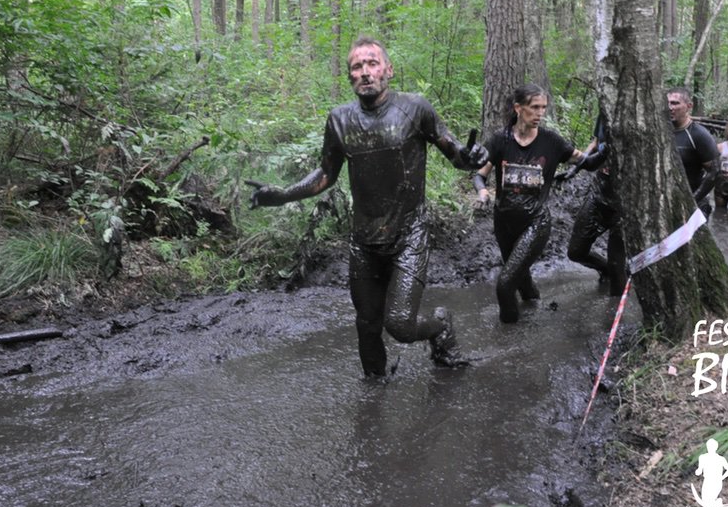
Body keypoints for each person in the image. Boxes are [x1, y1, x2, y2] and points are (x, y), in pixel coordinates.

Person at [247, 37, 489, 378]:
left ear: (388, 70)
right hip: (363, 241)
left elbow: (455, 154)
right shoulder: (339, 119)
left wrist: (471, 158)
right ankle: (373, 390)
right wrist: (284, 194)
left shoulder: (415, 108)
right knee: (366, 324)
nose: (365, 72)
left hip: (409, 235)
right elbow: (326, 174)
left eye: (372, 64)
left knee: (400, 324)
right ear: (349, 76)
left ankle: (441, 325)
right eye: (357, 66)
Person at [472, 84, 590, 323]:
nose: (540, 113)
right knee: (521, 281)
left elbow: (586, 161)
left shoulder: (551, 141)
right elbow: (479, 174)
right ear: (518, 108)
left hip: (535, 223)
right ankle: (535, 311)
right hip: (504, 223)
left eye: (543, 108)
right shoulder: (500, 140)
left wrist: (608, 150)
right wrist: (482, 192)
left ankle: (509, 337)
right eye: (535, 107)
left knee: (505, 285)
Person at [560, 112, 626, 296]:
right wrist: (577, 167)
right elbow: (595, 143)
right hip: (599, 194)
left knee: (617, 265)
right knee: (576, 252)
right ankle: (605, 270)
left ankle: (616, 305)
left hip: (626, 202)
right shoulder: (605, 111)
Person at [667, 87, 719, 216]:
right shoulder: (661, 131)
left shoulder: (699, 135)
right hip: (668, 200)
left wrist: (692, 200)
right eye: (667, 103)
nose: (670, 107)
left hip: (695, 202)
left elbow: (715, 171)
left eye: (675, 103)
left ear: (689, 106)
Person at [695, 438, 728, 507]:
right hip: (707, 481)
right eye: (709, 446)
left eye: (712, 446)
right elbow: (700, 470)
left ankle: (717, 503)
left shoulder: (720, 459)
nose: (710, 448)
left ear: (716, 447)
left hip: (716, 481)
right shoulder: (703, 457)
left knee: (708, 504)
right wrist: (698, 472)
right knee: (706, 505)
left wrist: (722, 477)